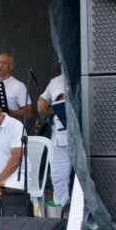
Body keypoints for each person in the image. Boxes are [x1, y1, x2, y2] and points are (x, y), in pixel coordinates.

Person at [38, 73, 71, 206]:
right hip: (59, 138)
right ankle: (61, 210)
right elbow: (42, 102)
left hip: (82, 138)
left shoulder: (83, 77)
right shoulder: (55, 80)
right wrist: (41, 101)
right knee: (58, 177)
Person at [0, 52, 31, 121]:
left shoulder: (19, 86)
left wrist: (6, 111)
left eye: (4, 63)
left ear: (11, 67)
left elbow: (28, 113)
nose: (0, 65)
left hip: (12, 127)